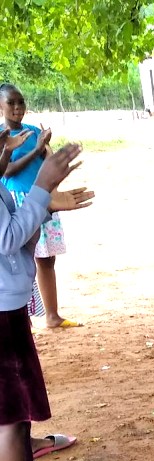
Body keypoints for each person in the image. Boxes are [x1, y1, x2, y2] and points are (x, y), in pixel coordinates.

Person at [0, 140, 93, 461]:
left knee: (13, 419)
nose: (6, 148)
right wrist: (41, 187)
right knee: (8, 421)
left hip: (9, 304)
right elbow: (8, 238)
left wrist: (47, 205)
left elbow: (19, 235)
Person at [0, 84, 77, 329]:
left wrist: (48, 151)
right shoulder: (2, 137)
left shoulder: (33, 131)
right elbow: (8, 171)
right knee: (19, 259)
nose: (17, 108)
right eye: (11, 102)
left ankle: (51, 315)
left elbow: (50, 162)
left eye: (20, 102)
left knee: (46, 258)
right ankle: (23, 312)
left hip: (42, 198)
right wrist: (35, 151)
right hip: (19, 201)